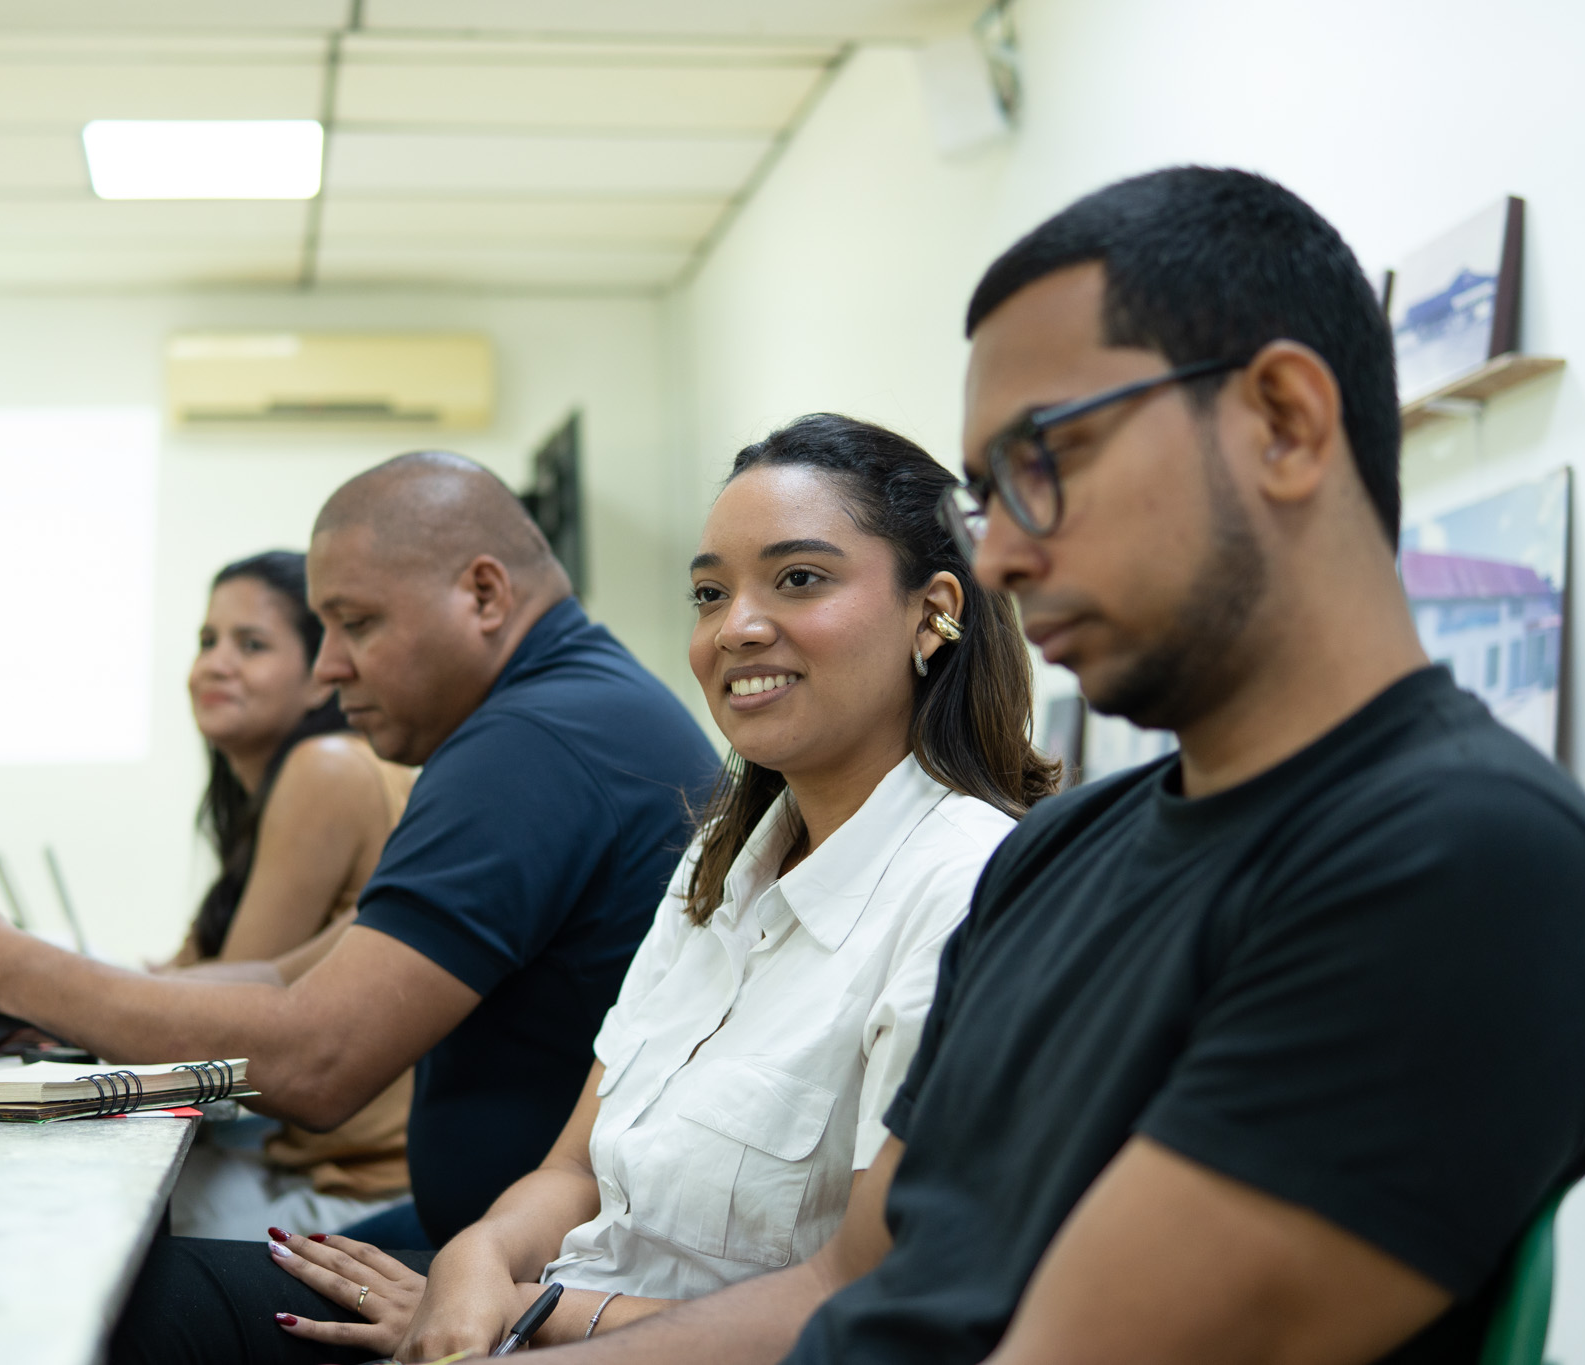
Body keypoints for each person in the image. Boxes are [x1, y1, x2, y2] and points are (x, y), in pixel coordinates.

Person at [516, 169, 1585, 1365]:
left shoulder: (1465, 864)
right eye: (986, 493)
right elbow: (865, 1288)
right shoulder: (1055, 856)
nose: (1004, 553)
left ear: (1280, 419)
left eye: (1044, 459)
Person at [126, 414, 1060, 1364]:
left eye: (799, 578)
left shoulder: (968, 891)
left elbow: (863, 1305)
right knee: (131, 1296)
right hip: (536, 1307)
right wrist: (478, 1261)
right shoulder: (717, 864)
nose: (735, 626)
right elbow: (575, 1166)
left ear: (934, 611)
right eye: (709, 591)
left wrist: (528, 1312)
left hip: (621, 1340)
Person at [0, 451, 719, 1256]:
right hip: (513, 1230)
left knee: (112, 1286)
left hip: (554, 1260)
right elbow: (280, 980)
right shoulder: (568, 709)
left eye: (357, 623)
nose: (329, 668)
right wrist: (36, 991)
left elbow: (313, 1061)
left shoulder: (526, 743)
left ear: (485, 595)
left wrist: (9, 969)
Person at [164, 550, 419, 1241]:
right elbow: (185, 974)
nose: (215, 664)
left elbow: (214, 1018)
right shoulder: (267, 792)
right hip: (314, 1159)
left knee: (108, 1216)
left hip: (356, 1185)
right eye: (206, 641)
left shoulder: (326, 768)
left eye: (250, 645)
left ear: (317, 679)